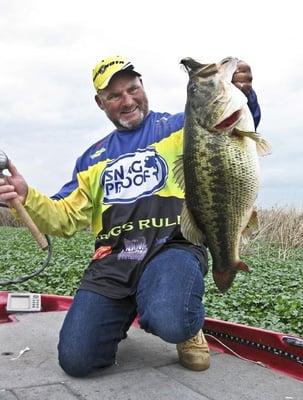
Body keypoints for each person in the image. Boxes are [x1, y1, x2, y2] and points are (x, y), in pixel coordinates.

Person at [0, 55, 260, 377]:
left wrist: (243, 93)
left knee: (170, 316)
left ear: (143, 87)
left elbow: (229, 132)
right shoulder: (90, 158)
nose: (127, 100)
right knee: (77, 360)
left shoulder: (181, 127)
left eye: (133, 89)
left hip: (172, 247)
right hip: (114, 261)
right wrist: (26, 197)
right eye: (114, 95)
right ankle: (125, 309)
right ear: (100, 103)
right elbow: (63, 216)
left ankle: (185, 323)